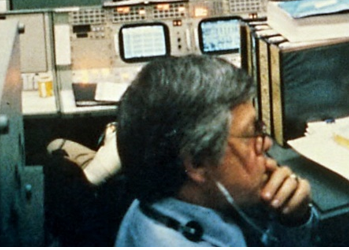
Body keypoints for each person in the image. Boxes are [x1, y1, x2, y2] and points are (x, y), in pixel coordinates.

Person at [115, 55, 315, 246]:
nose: (266, 144)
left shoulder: (160, 199)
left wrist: (292, 220)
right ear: (197, 163)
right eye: (251, 133)